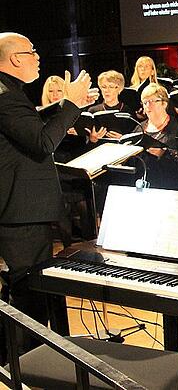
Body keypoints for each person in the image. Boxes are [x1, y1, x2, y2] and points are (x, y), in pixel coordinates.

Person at [0, 32, 91, 351]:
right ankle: (27, 366)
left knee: (29, 294)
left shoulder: (8, 92)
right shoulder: (6, 97)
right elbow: (42, 142)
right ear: (15, 58)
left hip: (20, 212)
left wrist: (64, 106)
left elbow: (27, 128)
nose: (38, 57)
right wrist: (72, 104)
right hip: (20, 214)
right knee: (29, 299)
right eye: (32, 51)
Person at [134, 83, 178, 191]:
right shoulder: (139, 128)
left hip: (172, 184)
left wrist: (164, 153)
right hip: (144, 184)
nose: (148, 105)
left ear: (164, 104)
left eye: (152, 101)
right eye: (145, 102)